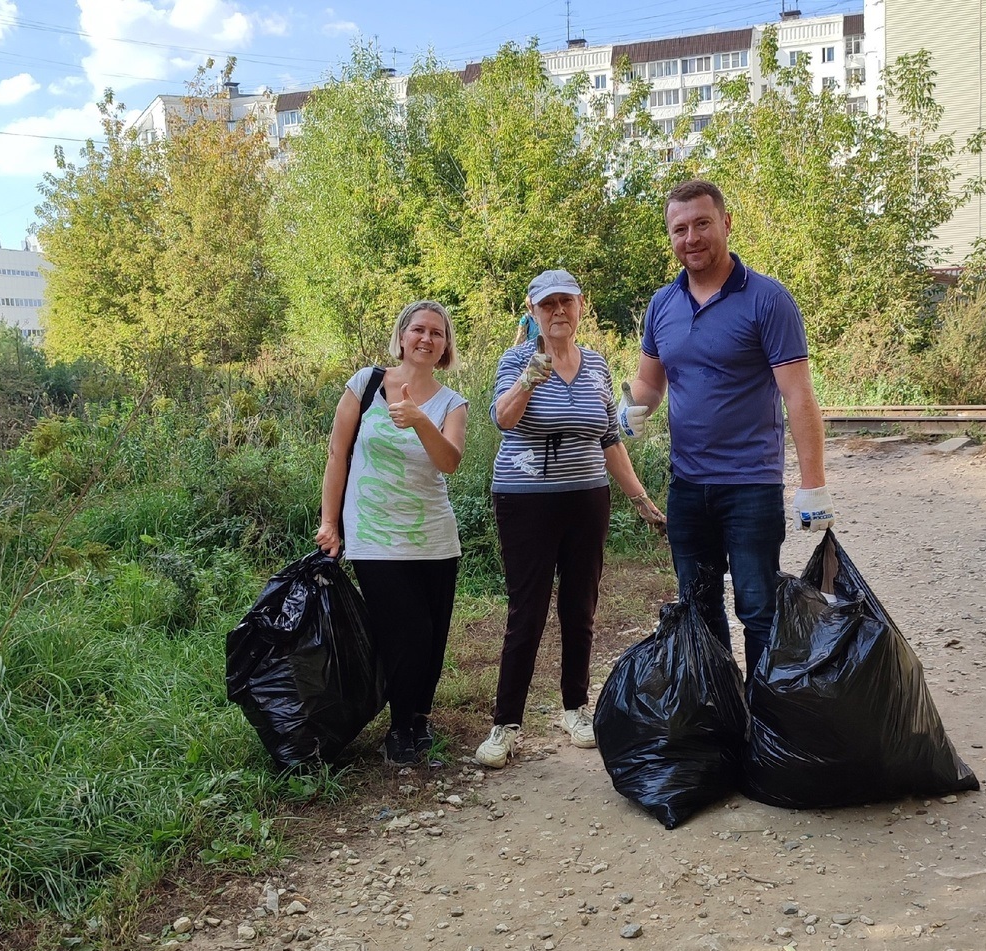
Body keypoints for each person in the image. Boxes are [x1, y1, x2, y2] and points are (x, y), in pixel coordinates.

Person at [618, 179, 836, 676]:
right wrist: (633, 407)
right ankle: (719, 707)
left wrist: (813, 484)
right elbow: (651, 384)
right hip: (688, 486)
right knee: (698, 607)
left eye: (701, 224)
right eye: (679, 229)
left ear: (726, 224)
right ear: (670, 237)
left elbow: (798, 394)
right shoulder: (662, 304)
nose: (691, 237)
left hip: (750, 486)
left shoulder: (767, 299)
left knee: (758, 608)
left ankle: (762, 718)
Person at [476, 269, 666, 769]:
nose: (558, 310)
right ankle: (505, 723)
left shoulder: (598, 365)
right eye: (548, 303)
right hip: (525, 500)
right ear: (533, 311)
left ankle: (575, 708)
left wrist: (642, 500)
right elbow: (502, 419)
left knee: (580, 607)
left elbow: (609, 437)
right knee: (528, 610)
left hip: (587, 498)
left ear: (581, 307)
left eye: (567, 302)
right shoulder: (516, 358)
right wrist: (526, 380)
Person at [315, 300, 469, 768]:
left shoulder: (451, 403)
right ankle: (398, 726)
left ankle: (418, 718)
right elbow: (337, 455)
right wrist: (329, 521)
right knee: (406, 631)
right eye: (418, 330)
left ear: (444, 348)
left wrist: (421, 420)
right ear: (401, 337)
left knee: (433, 633)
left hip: (434, 538)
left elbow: (450, 463)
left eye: (436, 334)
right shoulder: (365, 384)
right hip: (374, 535)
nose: (426, 339)